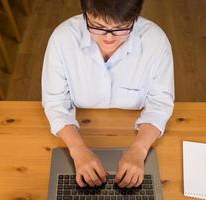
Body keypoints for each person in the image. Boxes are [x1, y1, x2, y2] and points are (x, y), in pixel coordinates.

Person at [42, 0, 174, 188]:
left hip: (131, 134)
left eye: (121, 28)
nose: (109, 38)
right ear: (86, 14)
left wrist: (139, 149)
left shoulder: (156, 42)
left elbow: (160, 103)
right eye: (98, 27)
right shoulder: (62, 39)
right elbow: (55, 102)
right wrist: (77, 149)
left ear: (134, 19)